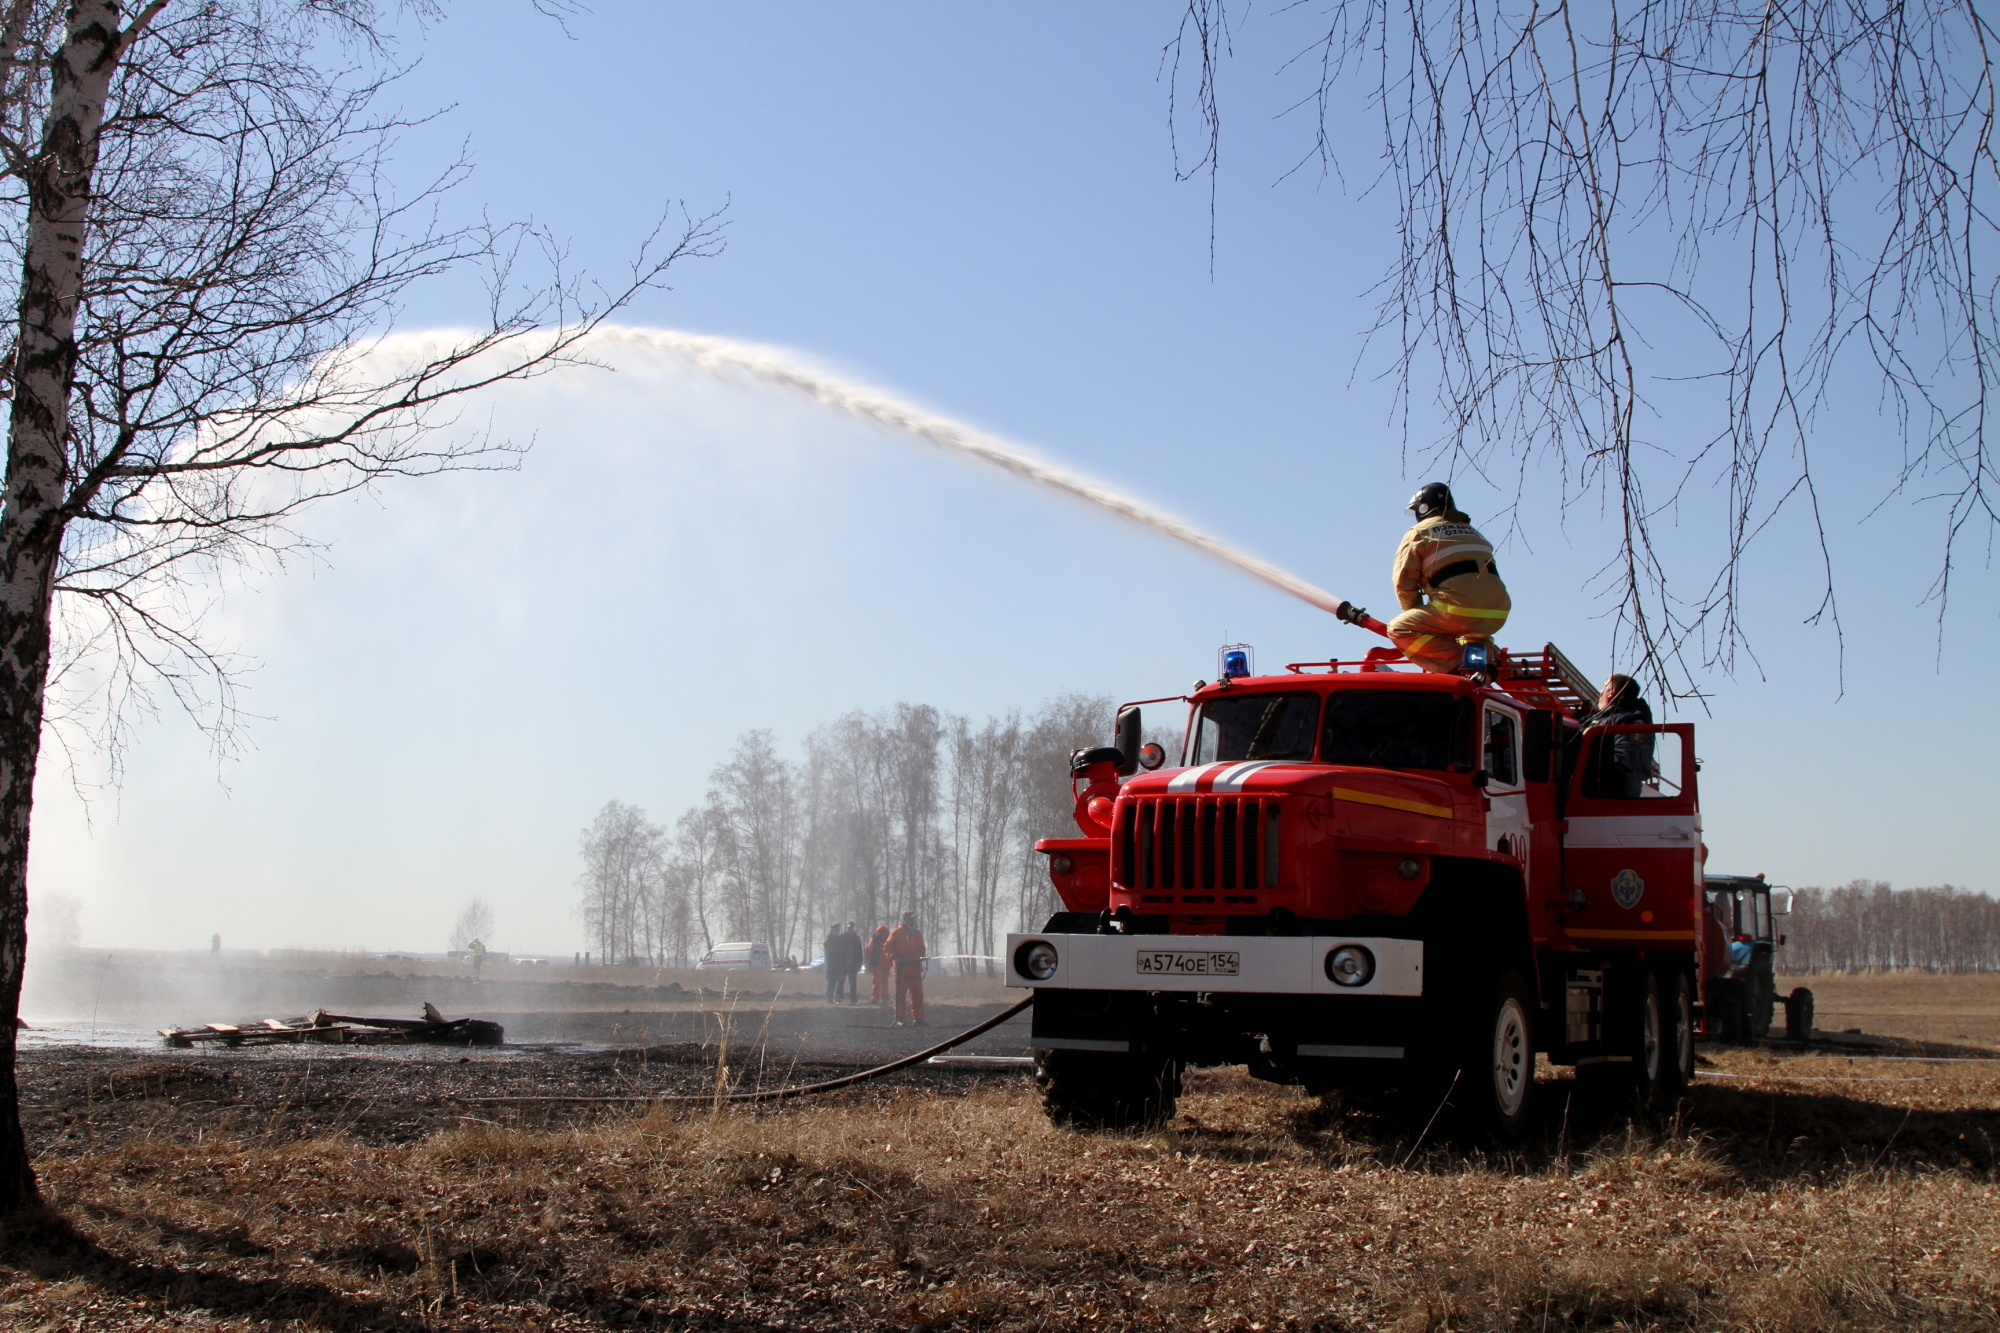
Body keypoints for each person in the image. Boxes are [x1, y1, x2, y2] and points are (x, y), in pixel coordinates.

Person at [1386, 482, 1511, 673]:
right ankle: (1484, 661)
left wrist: (1416, 612)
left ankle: (1458, 665)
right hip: (1498, 613)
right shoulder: (1474, 532)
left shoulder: (1419, 533)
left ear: (1423, 507)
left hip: (1458, 610)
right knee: (1471, 632)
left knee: (1400, 628)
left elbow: (1404, 581)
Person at [1586, 673, 1655, 798]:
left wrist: (1583, 777)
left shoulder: (1629, 721)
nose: (1600, 691)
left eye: (1604, 687)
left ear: (1611, 692)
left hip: (1607, 796)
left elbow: (1624, 761)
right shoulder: (1604, 719)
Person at [884, 911, 928, 1027]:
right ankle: (900, 1018)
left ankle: (918, 1019)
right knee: (900, 995)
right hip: (901, 970)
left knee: (918, 995)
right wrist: (895, 957)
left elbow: (922, 950)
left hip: (915, 969)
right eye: (912, 919)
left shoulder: (917, 934)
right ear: (906, 920)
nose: (914, 921)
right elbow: (887, 949)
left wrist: (919, 958)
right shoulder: (896, 933)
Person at [837, 922, 864, 1004]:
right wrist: (838, 963)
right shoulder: (841, 937)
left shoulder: (857, 938)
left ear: (853, 928)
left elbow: (860, 952)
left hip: (853, 965)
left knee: (853, 983)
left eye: (851, 927)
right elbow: (838, 952)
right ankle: (838, 999)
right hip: (843, 964)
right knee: (841, 982)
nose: (850, 929)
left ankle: (853, 1000)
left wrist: (859, 964)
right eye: (848, 927)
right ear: (846, 928)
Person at [866, 923, 892, 1004]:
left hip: (885, 964)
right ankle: (876, 998)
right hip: (878, 964)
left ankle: (883, 998)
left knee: (883, 982)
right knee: (877, 982)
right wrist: (868, 963)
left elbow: (869, 952)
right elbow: (869, 952)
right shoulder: (874, 940)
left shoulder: (886, 940)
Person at [823, 923, 846, 1003]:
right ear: (832, 931)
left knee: (839, 982)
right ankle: (829, 999)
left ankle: (838, 999)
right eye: (836, 930)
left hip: (838, 964)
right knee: (831, 982)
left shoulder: (838, 939)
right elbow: (830, 952)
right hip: (831, 964)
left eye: (838, 930)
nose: (837, 932)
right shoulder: (829, 940)